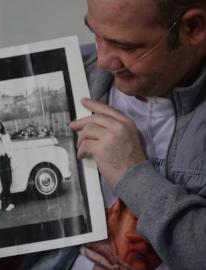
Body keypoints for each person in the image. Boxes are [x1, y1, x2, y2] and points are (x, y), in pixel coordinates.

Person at [25, 0, 206, 269]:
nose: (103, 61)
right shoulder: (67, 72)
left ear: (193, 27)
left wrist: (130, 172)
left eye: (126, 47)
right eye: (95, 34)